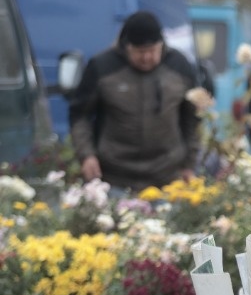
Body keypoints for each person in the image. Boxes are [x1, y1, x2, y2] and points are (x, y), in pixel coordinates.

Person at [69, 11, 199, 191]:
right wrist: (87, 155)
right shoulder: (102, 66)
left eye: (152, 50)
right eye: (140, 52)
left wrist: (189, 165)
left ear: (162, 44)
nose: (146, 58)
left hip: (168, 178)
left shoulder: (179, 66)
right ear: (126, 46)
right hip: (114, 179)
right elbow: (79, 115)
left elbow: (193, 119)